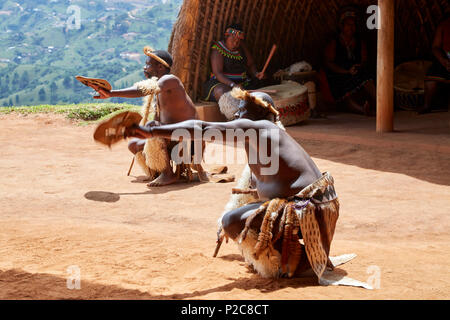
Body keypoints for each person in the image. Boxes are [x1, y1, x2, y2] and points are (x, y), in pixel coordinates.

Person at [122, 87, 340, 281]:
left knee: (231, 221)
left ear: (260, 113)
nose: (238, 113)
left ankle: (303, 263)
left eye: (243, 108)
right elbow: (258, 189)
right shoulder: (269, 137)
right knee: (239, 215)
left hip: (306, 211)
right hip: (320, 208)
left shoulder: (258, 127)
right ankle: (298, 254)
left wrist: (154, 131)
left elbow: (202, 127)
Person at [89, 47, 207, 186]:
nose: (144, 68)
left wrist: (111, 93)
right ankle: (161, 172)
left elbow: (144, 89)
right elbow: (158, 122)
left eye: (148, 64)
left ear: (160, 66)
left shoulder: (170, 80)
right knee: (134, 145)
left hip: (190, 140)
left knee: (152, 127)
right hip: (173, 138)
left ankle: (168, 174)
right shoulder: (160, 91)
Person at [202, 24, 268, 120]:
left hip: (242, 84)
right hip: (223, 83)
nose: (235, 43)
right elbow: (218, 73)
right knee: (221, 91)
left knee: (262, 83)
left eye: (238, 41)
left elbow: (251, 64)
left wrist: (256, 73)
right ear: (226, 36)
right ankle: (236, 116)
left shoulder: (242, 48)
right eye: (233, 40)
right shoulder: (218, 49)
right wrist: (233, 85)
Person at [324, 6, 376, 116]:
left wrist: (358, 66)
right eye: (348, 25)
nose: (351, 28)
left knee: (367, 77)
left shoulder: (359, 42)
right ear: (342, 26)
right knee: (344, 92)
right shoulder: (335, 42)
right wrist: (346, 71)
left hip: (355, 71)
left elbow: (364, 60)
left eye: (353, 25)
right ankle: (361, 109)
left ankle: (378, 102)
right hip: (338, 74)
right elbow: (329, 63)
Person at [419, 15, 450, 114]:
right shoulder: (444, 25)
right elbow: (435, 47)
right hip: (446, 59)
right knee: (431, 78)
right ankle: (427, 105)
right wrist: (443, 60)